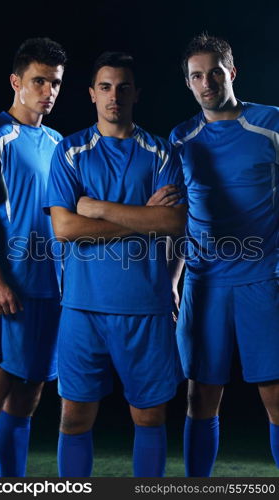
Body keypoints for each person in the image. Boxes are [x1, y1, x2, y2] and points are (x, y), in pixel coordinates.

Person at [45, 51, 187, 477]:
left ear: (136, 94)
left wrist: (99, 208)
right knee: (74, 418)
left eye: (123, 87)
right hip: (83, 307)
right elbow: (66, 229)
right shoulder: (70, 151)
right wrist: (141, 218)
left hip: (145, 305)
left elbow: (174, 222)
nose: (114, 96)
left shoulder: (161, 152)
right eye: (105, 87)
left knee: (149, 417)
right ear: (91, 94)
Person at [169, 33, 279, 477]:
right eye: (197, 76)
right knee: (200, 397)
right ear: (189, 84)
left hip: (262, 278)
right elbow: (181, 216)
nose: (206, 82)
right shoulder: (181, 138)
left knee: (274, 395)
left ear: (231, 73)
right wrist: (171, 279)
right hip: (204, 283)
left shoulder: (270, 124)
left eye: (214, 72)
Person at [0, 37, 66, 477]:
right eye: (39, 81)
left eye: (55, 83)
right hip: (8, 287)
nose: (48, 91)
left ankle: (12, 486)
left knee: (27, 399)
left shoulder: (59, 142)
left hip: (52, 291)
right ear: (16, 82)